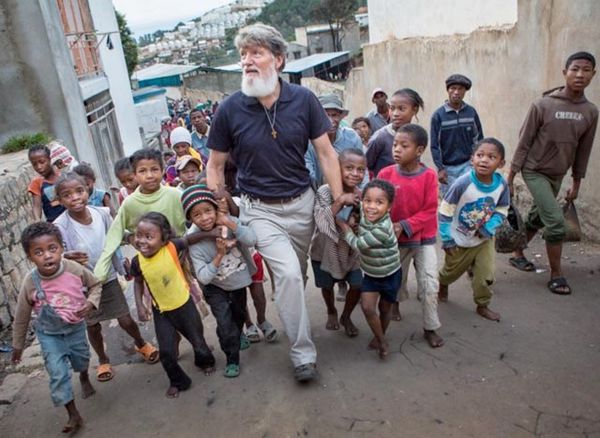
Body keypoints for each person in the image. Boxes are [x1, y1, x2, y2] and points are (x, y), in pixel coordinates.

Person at [206, 23, 342, 382]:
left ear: (278, 59)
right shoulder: (229, 109)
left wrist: (339, 196)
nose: (247, 61)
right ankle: (303, 355)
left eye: (256, 53)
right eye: (243, 55)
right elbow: (215, 165)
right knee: (289, 278)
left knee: (295, 275)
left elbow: (326, 152)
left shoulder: (304, 99)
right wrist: (221, 211)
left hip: (302, 206)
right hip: (259, 210)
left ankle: (288, 303)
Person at [53, 172, 159, 382]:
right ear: (60, 200)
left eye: (79, 191)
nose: (74, 197)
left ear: (88, 190)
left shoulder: (102, 214)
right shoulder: (60, 226)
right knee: (92, 325)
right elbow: (56, 254)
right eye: (67, 195)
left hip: (107, 277)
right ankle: (102, 359)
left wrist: (132, 244)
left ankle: (140, 343)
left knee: (125, 318)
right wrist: (66, 256)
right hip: (81, 285)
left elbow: (116, 237)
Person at [507, 51, 597, 295]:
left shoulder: (590, 111)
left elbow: (583, 150)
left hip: (558, 175)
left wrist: (576, 182)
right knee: (555, 224)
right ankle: (556, 275)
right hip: (534, 170)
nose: (580, 74)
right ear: (564, 72)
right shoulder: (543, 105)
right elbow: (524, 141)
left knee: (537, 217)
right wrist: (511, 175)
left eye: (586, 70)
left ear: (593, 75)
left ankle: (515, 253)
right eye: (575, 69)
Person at [12, 222, 101, 433]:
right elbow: (22, 315)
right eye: (39, 252)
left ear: (61, 248)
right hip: (49, 335)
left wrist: (90, 303)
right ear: (29, 256)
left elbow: (96, 284)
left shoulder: (74, 269)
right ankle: (73, 413)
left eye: (52, 249)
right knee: (57, 373)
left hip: (75, 328)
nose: (47, 256)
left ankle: (84, 375)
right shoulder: (31, 282)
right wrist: (17, 345)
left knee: (81, 359)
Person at [130, 212, 216, 398]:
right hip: (162, 311)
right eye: (139, 235)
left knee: (198, 341)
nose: (142, 241)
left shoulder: (171, 247)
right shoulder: (138, 261)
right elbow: (137, 282)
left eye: (149, 237)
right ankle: (178, 381)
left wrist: (212, 233)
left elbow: (190, 239)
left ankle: (205, 362)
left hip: (184, 306)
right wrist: (140, 305)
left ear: (163, 239)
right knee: (167, 352)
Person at [378, 124, 444, 348]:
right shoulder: (386, 174)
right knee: (397, 279)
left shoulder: (428, 176)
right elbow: (378, 203)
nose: (396, 149)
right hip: (395, 240)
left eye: (404, 146)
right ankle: (396, 303)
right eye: (395, 144)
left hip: (423, 238)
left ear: (419, 150)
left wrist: (404, 224)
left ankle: (430, 326)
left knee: (428, 283)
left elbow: (429, 210)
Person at [183, 185, 257, 378]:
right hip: (214, 288)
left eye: (208, 210)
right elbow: (204, 277)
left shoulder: (228, 222)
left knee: (239, 316)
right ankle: (232, 358)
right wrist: (219, 255)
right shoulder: (194, 241)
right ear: (190, 219)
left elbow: (251, 239)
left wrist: (229, 223)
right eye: (197, 215)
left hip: (238, 282)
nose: (205, 218)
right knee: (225, 324)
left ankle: (239, 333)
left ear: (216, 209)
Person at [438, 138, 510, 321]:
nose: (484, 160)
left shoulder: (502, 185)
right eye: (480, 155)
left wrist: (489, 227)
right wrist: (446, 238)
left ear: (501, 163)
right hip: (458, 239)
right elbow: (445, 210)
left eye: (491, 157)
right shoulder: (462, 183)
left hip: (484, 239)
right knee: (450, 271)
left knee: (485, 275)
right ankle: (442, 284)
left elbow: (502, 209)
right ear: (472, 159)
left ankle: (482, 304)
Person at [93, 148, 187, 283]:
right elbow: (115, 233)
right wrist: (101, 269)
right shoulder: (130, 203)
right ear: (135, 174)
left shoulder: (176, 195)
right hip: (151, 264)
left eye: (154, 169)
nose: (149, 175)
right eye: (142, 171)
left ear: (163, 170)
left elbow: (194, 220)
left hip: (181, 258)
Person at [337, 179, 401, 359]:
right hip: (371, 274)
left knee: (385, 309)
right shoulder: (367, 213)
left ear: (389, 207)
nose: (371, 207)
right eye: (367, 201)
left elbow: (358, 245)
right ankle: (382, 340)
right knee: (367, 308)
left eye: (379, 202)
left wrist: (345, 228)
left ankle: (379, 336)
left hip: (390, 274)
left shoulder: (382, 229)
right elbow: (360, 213)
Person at [311, 148, 366, 337]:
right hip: (324, 249)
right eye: (349, 168)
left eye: (360, 170)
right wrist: (341, 201)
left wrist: (358, 217)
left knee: (357, 285)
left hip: (351, 250)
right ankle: (331, 310)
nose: (355, 174)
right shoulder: (325, 191)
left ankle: (346, 316)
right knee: (327, 285)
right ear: (337, 168)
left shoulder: (362, 194)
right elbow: (321, 221)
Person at [430, 74, 484, 195]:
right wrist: (440, 168)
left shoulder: (471, 112)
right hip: (448, 169)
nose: (456, 92)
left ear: (465, 91)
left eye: (460, 89)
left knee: (470, 198)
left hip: (467, 166)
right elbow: (435, 145)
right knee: (451, 203)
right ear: (447, 90)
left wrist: (476, 159)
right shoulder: (438, 115)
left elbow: (478, 138)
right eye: (453, 88)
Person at [305, 93, 368, 190]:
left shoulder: (352, 138)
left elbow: (363, 169)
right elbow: (310, 175)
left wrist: (362, 195)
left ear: (341, 117)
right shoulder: (308, 142)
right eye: (325, 115)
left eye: (334, 115)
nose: (330, 120)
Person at [367, 88, 424, 177]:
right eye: (392, 108)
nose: (395, 114)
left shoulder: (416, 135)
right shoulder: (380, 137)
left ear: (415, 110)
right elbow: (367, 166)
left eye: (402, 109)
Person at [28, 144, 65, 222]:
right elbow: (37, 206)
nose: (39, 167)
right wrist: (37, 220)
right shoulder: (37, 183)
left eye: (42, 162)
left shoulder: (64, 176)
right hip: (54, 224)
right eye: (34, 164)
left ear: (50, 159)